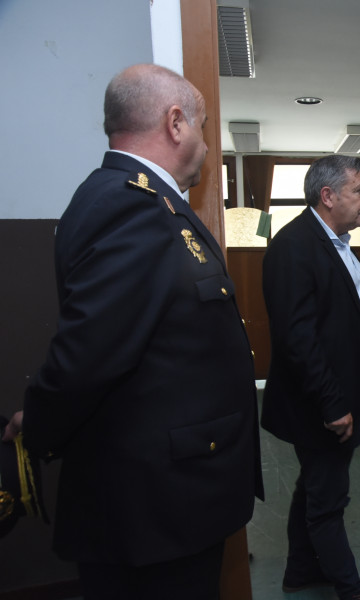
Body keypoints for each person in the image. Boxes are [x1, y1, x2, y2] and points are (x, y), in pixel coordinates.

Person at [1, 64, 263, 599]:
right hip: (156, 508)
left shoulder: (150, 202)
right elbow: (88, 354)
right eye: (204, 126)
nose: (209, 145)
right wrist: (41, 425)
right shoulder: (129, 206)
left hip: (172, 495)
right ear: (175, 124)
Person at [261, 155, 360, 600]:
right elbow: (298, 340)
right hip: (322, 406)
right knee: (328, 500)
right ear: (328, 196)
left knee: (313, 485)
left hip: (341, 396)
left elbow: (351, 316)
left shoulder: (333, 241)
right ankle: (350, 589)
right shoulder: (293, 247)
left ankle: (300, 571)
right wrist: (333, 405)